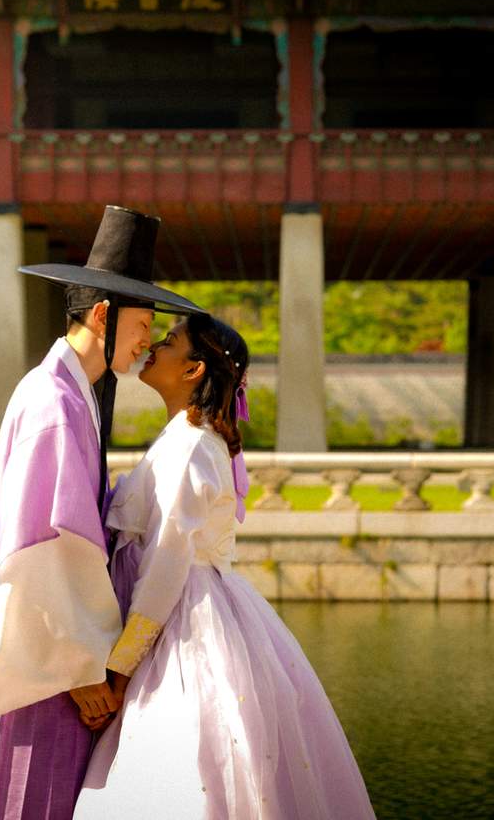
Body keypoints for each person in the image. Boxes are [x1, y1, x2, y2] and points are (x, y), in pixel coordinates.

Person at [0, 206, 204, 820]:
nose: (147, 339)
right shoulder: (54, 404)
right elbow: (41, 551)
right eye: (142, 322)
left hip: (57, 639)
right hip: (45, 651)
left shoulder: (67, 393)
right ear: (103, 315)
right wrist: (79, 670)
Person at [74, 314, 376, 820]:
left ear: (193, 369)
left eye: (168, 342)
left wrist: (119, 668)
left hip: (183, 621)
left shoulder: (190, 447)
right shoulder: (189, 438)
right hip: (202, 607)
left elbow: (167, 562)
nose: (153, 346)